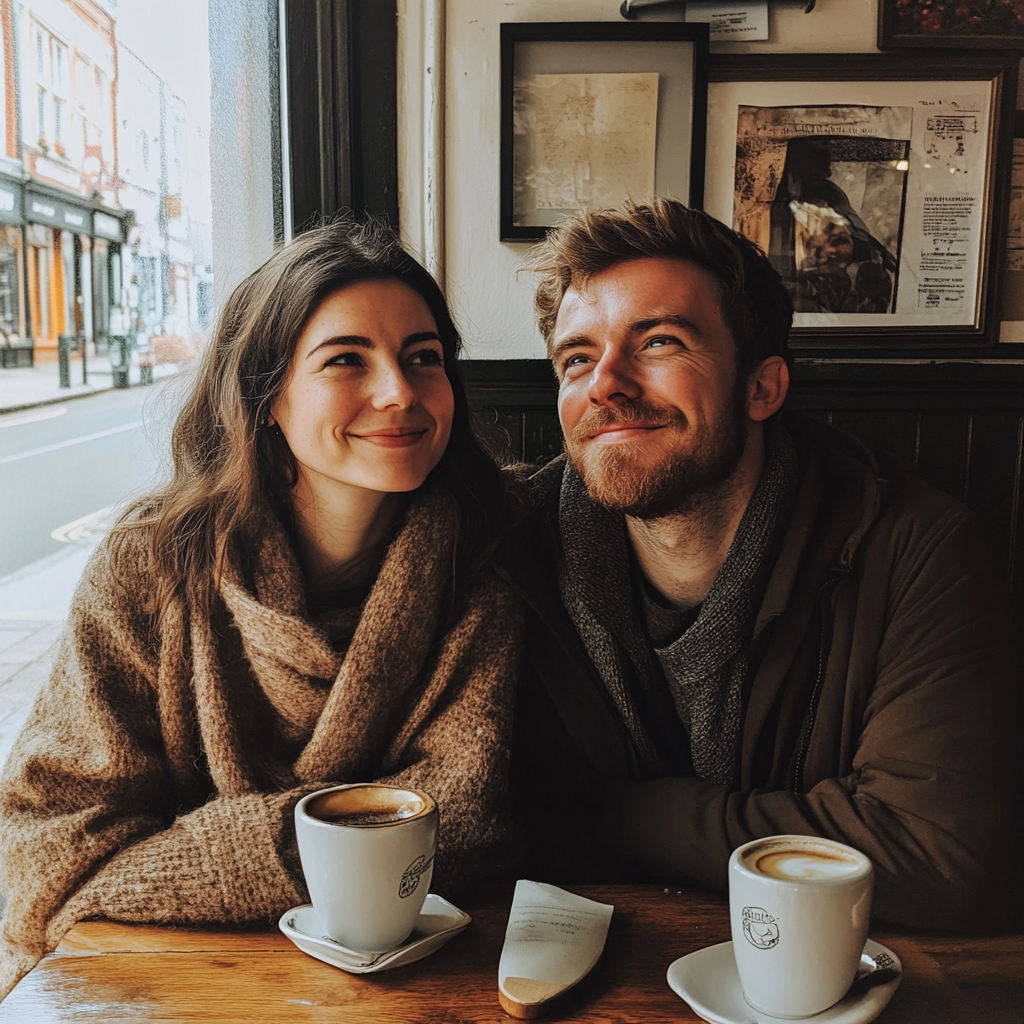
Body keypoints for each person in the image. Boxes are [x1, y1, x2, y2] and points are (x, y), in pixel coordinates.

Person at [0, 220, 521, 999]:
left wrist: (161, 864)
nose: (399, 393)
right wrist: (341, 847)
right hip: (172, 989)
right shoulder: (152, 564)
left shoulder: (487, 560)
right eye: (348, 359)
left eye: (424, 358)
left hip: (428, 986)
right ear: (266, 395)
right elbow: (50, 853)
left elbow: (468, 820)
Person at [504, 197, 1021, 931]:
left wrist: (607, 811)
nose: (605, 384)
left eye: (657, 343)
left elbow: (936, 856)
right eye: (578, 358)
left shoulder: (916, 552)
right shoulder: (514, 553)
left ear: (761, 387)